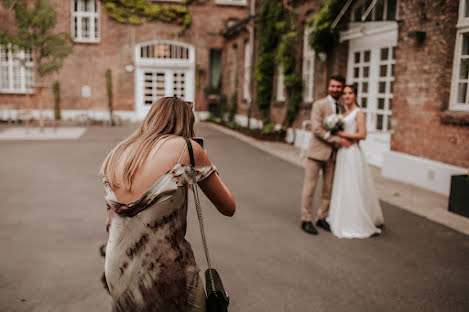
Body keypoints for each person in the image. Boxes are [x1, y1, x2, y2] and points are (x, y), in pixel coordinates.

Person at [100, 97, 236, 311]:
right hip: (165, 271)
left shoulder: (119, 151)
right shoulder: (188, 149)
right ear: (186, 122)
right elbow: (228, 207)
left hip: (118, 267)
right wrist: (206, 163)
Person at [328, 85, 384, 238]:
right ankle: (341, 217)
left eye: (350, 93)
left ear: (356, 95)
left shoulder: (359, 113)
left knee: (353, 185)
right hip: (342, 153)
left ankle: (356, 220)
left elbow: (363, 134)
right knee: (343, 185)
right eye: (344, 94)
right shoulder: (344, 113)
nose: (346, 96)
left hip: (352, 152)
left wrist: (342, 134)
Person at [300, 75, 352, 235]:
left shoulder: (343, 109)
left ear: (342, 89)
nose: (335, 89)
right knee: (310, 188)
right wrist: (337, 140)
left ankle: (322, 217)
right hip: (316, 153)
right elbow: (316, 128)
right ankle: (306, 219)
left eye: (338, 87)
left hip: (334, 155)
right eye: (333, 86)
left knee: (328, 189)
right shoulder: (319, 104)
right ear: (329, 87)